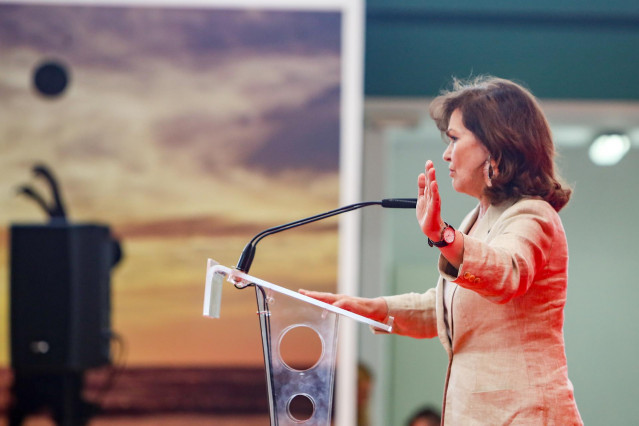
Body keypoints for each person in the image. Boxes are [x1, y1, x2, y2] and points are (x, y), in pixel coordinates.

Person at [300, 76, 583, 424]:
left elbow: (506, 274)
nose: (447, 153)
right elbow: (448, 310)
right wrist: (372, 309)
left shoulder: (532, 214)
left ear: (495, 146)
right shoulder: (478, 217)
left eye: (454, 139)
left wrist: (442, 235)